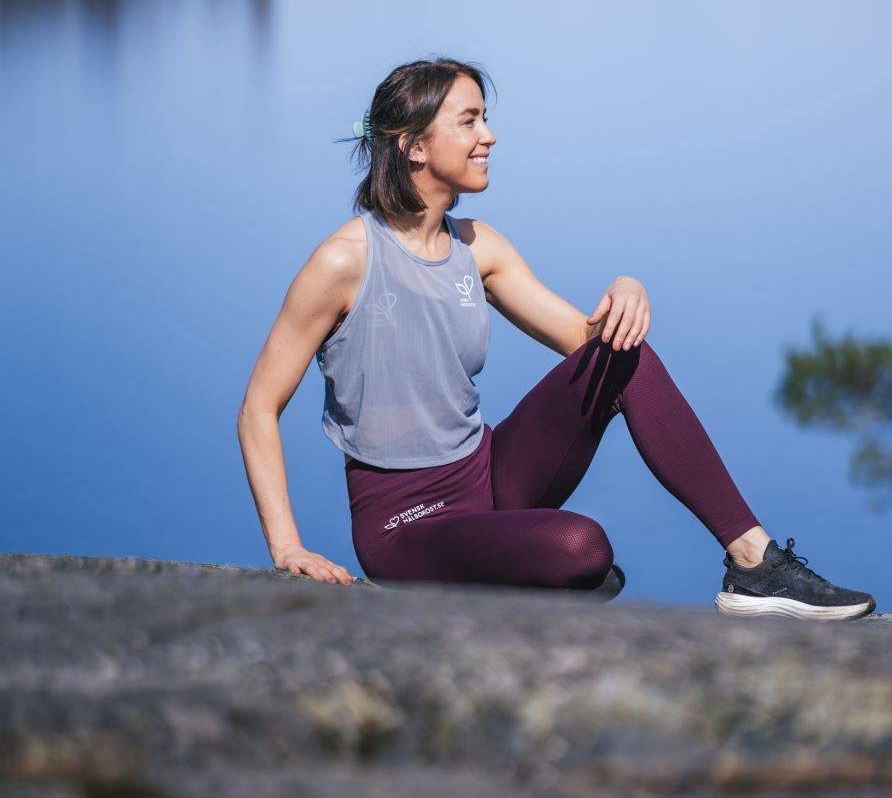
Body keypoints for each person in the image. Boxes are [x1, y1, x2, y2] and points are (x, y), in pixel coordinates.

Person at [237, 56, 876, 621]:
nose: (489, 135)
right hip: (405, 524)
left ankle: (754, 563)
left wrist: (628, 287)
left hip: (488, 478)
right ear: (413, 145)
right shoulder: (344, 262)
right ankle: (525, 569)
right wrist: (287, 547)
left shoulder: (477, 247)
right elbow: (259, 409)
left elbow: (587, 342)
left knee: (625, 355)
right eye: (468, 121)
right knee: (582, 548)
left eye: (484, 118)